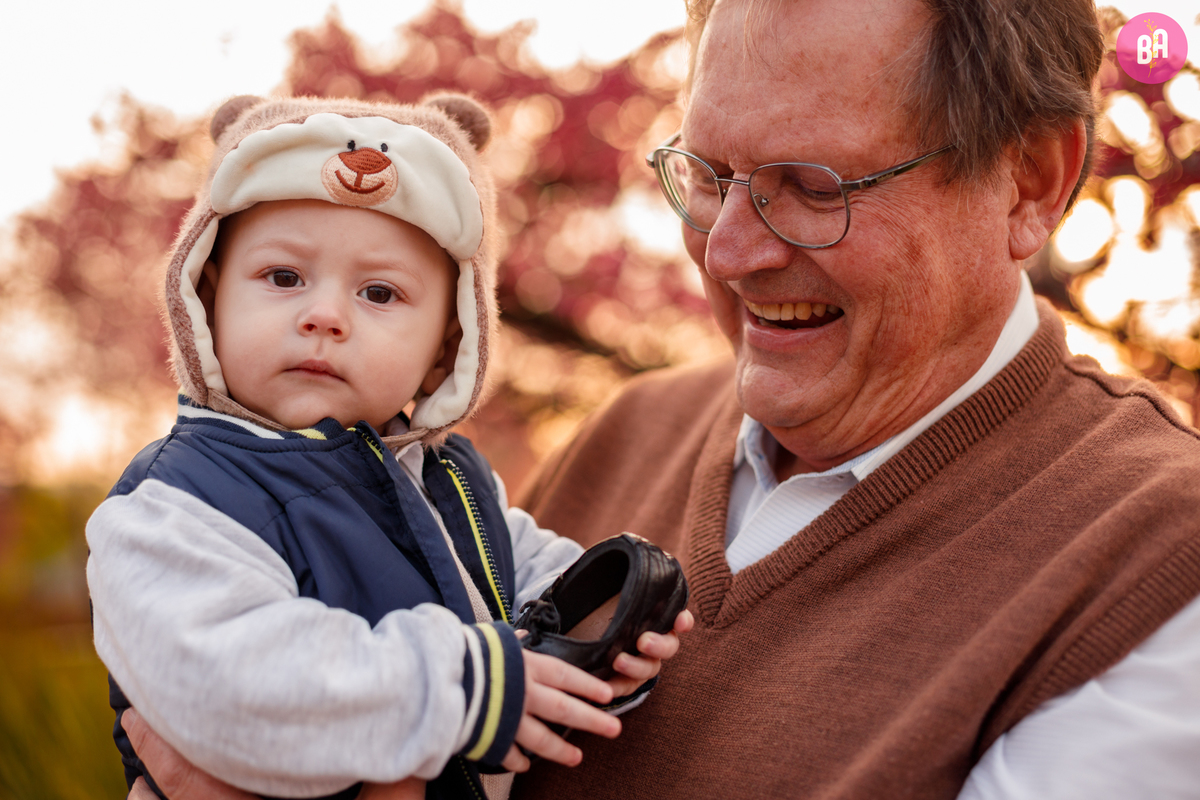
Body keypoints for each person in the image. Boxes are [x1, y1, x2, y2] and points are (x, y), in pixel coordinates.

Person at [120, 0, 1200, 797]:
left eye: (811, 187)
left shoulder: (1153, 560)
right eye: (709, 175)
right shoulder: (620, 436)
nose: (728, 251)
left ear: (1030, 181)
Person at [86, 93, 688, 800]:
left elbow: (521, 578)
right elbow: (230, 681)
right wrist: (464, 683)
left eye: (378, 293)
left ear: (447, 343)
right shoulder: (178, 502)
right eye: (283, 277)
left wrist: (603, 632)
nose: (323, 316)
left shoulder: (449, 479)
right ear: (208, 299)